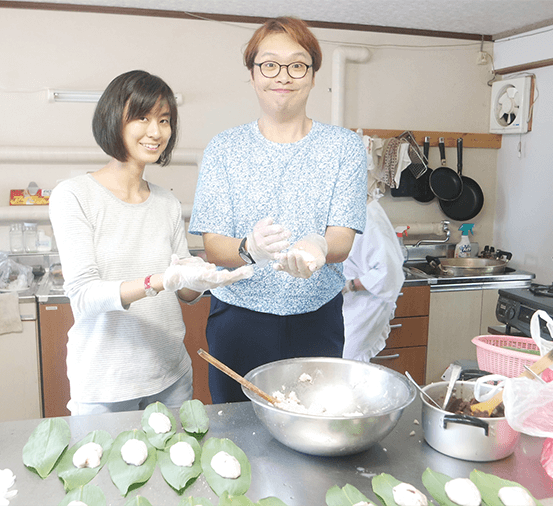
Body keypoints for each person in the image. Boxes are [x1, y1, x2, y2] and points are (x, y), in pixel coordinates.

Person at [49, 70, 252, 415]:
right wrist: (156, 281)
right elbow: (83, 296)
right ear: (114, 119)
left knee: (175, 467)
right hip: (106, 382)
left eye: (164, 120)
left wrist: (208, 275)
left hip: (170, 377)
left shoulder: (166, 202)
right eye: (142, 117)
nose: (156, 132)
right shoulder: (74, 195)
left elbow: (185, 293)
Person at [188, 17, 367, 403]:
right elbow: (213, 244)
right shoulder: (224, 149)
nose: (282, 76)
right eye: (269, 64)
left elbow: (342, 238)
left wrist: (318, 244)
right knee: (235, 434)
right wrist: (248, 249)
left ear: (313, 75)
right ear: (252, 74)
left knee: (313, 424)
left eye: (297, 64)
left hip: (316, 318)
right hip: (239, 318)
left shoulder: (345, 148)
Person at [341, 188, 406, 362]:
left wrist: (350, 285)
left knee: (348, 362)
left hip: (367, 302)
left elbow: (389, 273)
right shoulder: (345, 211)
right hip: (349, 303)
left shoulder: (369, 216)